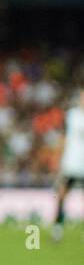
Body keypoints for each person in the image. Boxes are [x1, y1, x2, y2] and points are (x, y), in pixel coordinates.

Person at [52, 87, 84, 242]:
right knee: (62, 195)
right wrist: (59, 158)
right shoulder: (72, 115)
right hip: (71, 163)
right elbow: (63, 138)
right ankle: (57, 228)